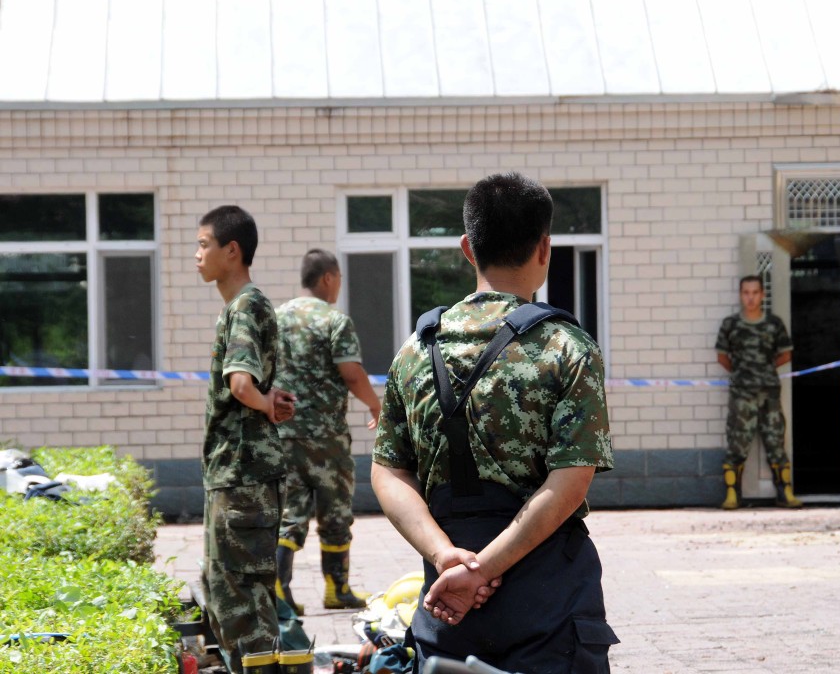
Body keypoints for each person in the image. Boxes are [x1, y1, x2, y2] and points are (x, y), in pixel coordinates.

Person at [371, 172, 619, 673]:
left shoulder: (415, 350)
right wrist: (483, 568)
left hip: (447, 608)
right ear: (545, 248)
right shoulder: (567, 348)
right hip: (547, 603)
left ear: (467, 248)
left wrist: (448, 560)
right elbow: (570, 483)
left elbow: (387, 472)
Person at [195, 205, 296, 673]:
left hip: (242, 476)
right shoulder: (245, 306)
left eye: (203, 245)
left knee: (240, 606)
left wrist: (260, 399)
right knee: (230, 596)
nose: (197, 255)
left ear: (231, 251)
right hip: (239, 475)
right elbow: (250, 388)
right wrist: (268, 401)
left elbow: (239, 382)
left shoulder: (246, 306)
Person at [274, 249, 382, 614]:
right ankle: (338, 589)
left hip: (283, 433)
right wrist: (374, 404)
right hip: (326, 438)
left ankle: (279, 590)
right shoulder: (335, 321)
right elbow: (351, 372)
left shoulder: (275, 318)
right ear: (328, 278)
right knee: (334, 512)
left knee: (290, 513)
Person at [715, 274, 802, 510]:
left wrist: (763, 371)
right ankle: (733, 494)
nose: (750, 298)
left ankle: (785, 492)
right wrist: (744, 374)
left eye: (755, 293)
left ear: (762, 295)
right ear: (741, 295)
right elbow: (722, 357)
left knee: (776, 442)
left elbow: (786, 354)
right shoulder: (730, 325)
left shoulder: (773, 324)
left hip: (770, 394)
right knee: (737, 443)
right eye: (746, 293)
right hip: (742, 395)